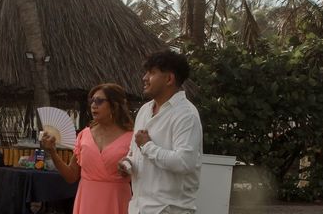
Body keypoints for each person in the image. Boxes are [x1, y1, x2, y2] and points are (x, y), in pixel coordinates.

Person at [119, 50, 203, 214]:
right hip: (138, 208)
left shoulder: (186, 115)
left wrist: (147, 146)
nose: (144, 78)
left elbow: (184, 162)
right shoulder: (144, 110)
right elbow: (135, 151)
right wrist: (127, 163)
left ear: (169, 79)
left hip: (169, 210)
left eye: (151, 73)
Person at [41, 83, 133, 214]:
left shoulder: (131, 138)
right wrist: (52, 152)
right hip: (87, 200)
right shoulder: (84, 135)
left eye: (99, 101)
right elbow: (71, 176)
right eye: (92, 101)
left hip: (117, 200)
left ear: (114, 106)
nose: (93, 105)